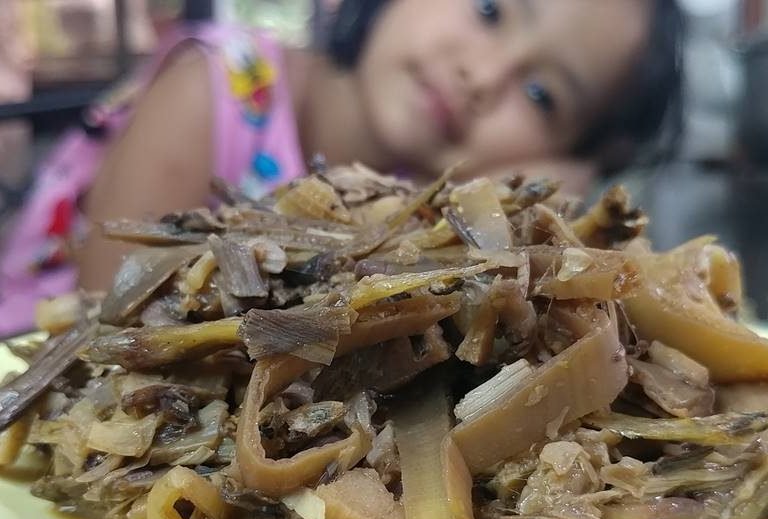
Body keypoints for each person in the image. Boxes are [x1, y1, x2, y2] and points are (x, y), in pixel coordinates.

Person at [0, 0, 683, 336]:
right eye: (489, 9)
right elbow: (110, 322)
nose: (484, 73)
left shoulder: (450, 231)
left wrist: (519, 209)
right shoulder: (220, 90)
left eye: (542, 95)